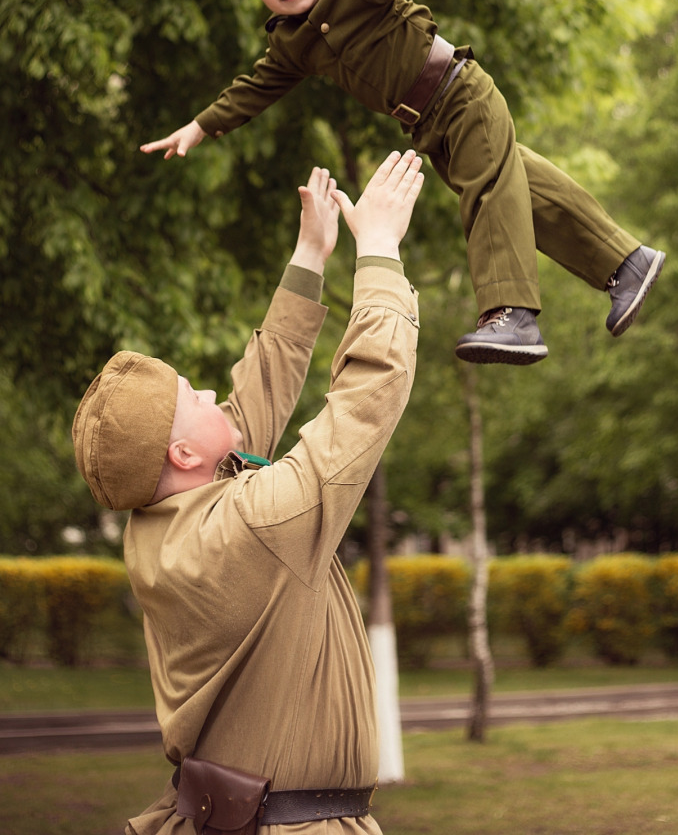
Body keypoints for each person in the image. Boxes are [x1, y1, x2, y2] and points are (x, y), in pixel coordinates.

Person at [141, 0, 665, 366]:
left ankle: (512, 314)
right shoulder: (291, 43)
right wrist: (200, 126)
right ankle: (627, 260)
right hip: (426, 126)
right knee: (523, 190)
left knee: (487, 194)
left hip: (461, 92)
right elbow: (255, 87)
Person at [72, 149, 424, 835]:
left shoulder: (167, 520)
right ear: (181, 452)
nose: (209, 391)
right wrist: (379, 254)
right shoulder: (251, 528)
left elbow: (250, 404)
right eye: (189, 394)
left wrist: (310, 256)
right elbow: (365, 400)